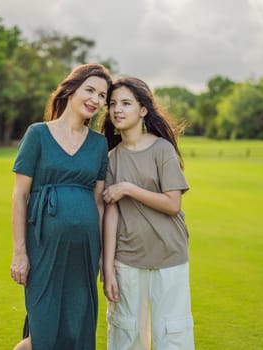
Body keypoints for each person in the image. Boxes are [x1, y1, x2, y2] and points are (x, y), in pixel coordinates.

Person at [10, 63, 112, 350]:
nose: (95, 100)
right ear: (70, 90)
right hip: (42, 248)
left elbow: (98, 203)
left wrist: (103, 256)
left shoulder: (99, 144)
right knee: (42, 334)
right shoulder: (38, 134)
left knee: (77, 330)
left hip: (85, 253)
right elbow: (19, 196)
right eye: (90, 90)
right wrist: (20, 252)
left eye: (102, 96)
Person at [100, 76, 195, 350]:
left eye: (126, 103)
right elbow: (111, 214)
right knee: (126, 334)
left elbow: (172, 204)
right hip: (127, 259)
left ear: (143, 110)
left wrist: (128, 188)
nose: (117, 109)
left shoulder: (162, 149)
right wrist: (108, 266)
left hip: (170, 255)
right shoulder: (110, 157)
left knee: (172, 335)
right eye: (113, 104)